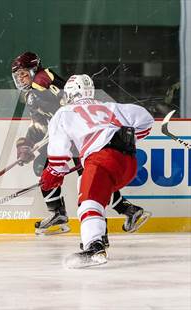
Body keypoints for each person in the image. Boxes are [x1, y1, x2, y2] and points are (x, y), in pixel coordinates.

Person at [11, 52, 151, 236]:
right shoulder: (33, 92)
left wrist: (61, 126)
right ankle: (126, 211)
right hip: (72, 136)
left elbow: (64, 103)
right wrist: (26, 143)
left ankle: (65, 215)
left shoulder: (42, 80)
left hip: (77, 135)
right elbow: (39, 124)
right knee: (87, 176)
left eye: (23, 73)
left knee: (86, 178)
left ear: (33, 69)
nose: (21, 78)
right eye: (18, 75)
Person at [40, 74, 154, 267]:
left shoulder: (64, 112)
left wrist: (52, 175)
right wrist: (127, 139)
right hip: (128, 164)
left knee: (89, 200)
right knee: (86, 184)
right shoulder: (110, 106)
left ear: (69, 94)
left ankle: (94, 246)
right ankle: (100, 236)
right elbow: (146, 119)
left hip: (101, 160)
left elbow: (58, 157)